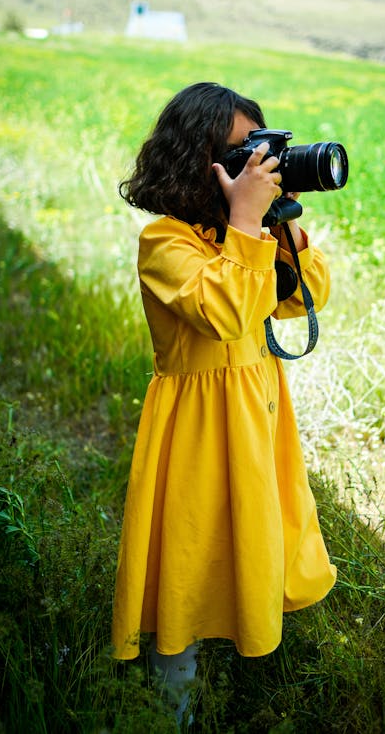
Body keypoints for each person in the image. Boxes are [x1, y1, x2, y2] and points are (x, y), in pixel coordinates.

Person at [111, 82, 336, 723]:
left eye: (262, 148)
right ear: (196, 158)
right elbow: (227, 313)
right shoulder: (167, 241)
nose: (257, 165)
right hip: (198, 429)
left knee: (247, 539)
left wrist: (276, 223)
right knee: (190, 550)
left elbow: (298, 299)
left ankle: (228, 669)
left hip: (256, 416)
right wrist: (244, 222)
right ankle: (170, 703)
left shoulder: (243, 233)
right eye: (242, 152)